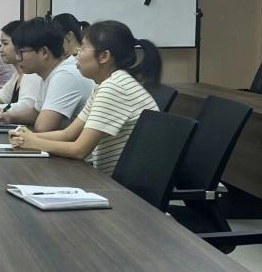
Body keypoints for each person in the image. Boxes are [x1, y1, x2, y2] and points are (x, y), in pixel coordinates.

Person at [9, 20, 161, 174]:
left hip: (119, 185)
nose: (77, 54)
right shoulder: (103, 84)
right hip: (106, 177)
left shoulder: (114, 87)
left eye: (82, 48)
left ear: (104, 56)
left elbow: (79, 149)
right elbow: (68, 134)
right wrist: (29, 137)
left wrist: (34, 142)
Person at [0, 17, 93, 132]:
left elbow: (43, 127)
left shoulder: (65, 75)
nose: (17, 58)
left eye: (21, 52)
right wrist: (11, 116)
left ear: (44, 52)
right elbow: (36, 112)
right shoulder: (51, 72)